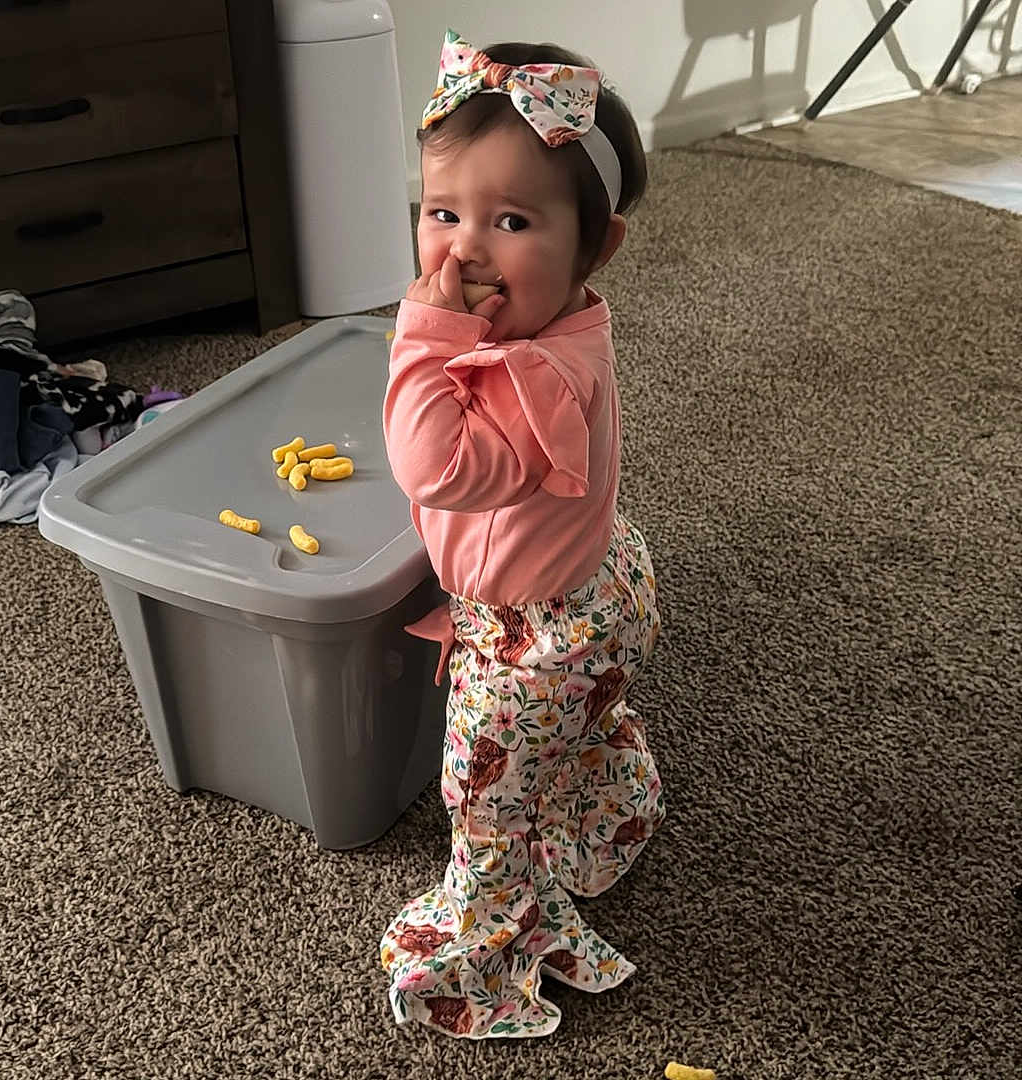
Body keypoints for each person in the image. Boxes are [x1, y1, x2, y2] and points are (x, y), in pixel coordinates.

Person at [380, 29, 664, 1039]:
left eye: (510, 220)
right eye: (441, 212)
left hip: (536, 639)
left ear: (595, 248)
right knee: (586, 726)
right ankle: (604, 808)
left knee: (484, 804)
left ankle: (484, 957)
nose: (462, 250)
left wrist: (420, 336)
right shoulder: (552, 330)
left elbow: (439, 469)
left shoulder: (533, 374)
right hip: (596, 585)